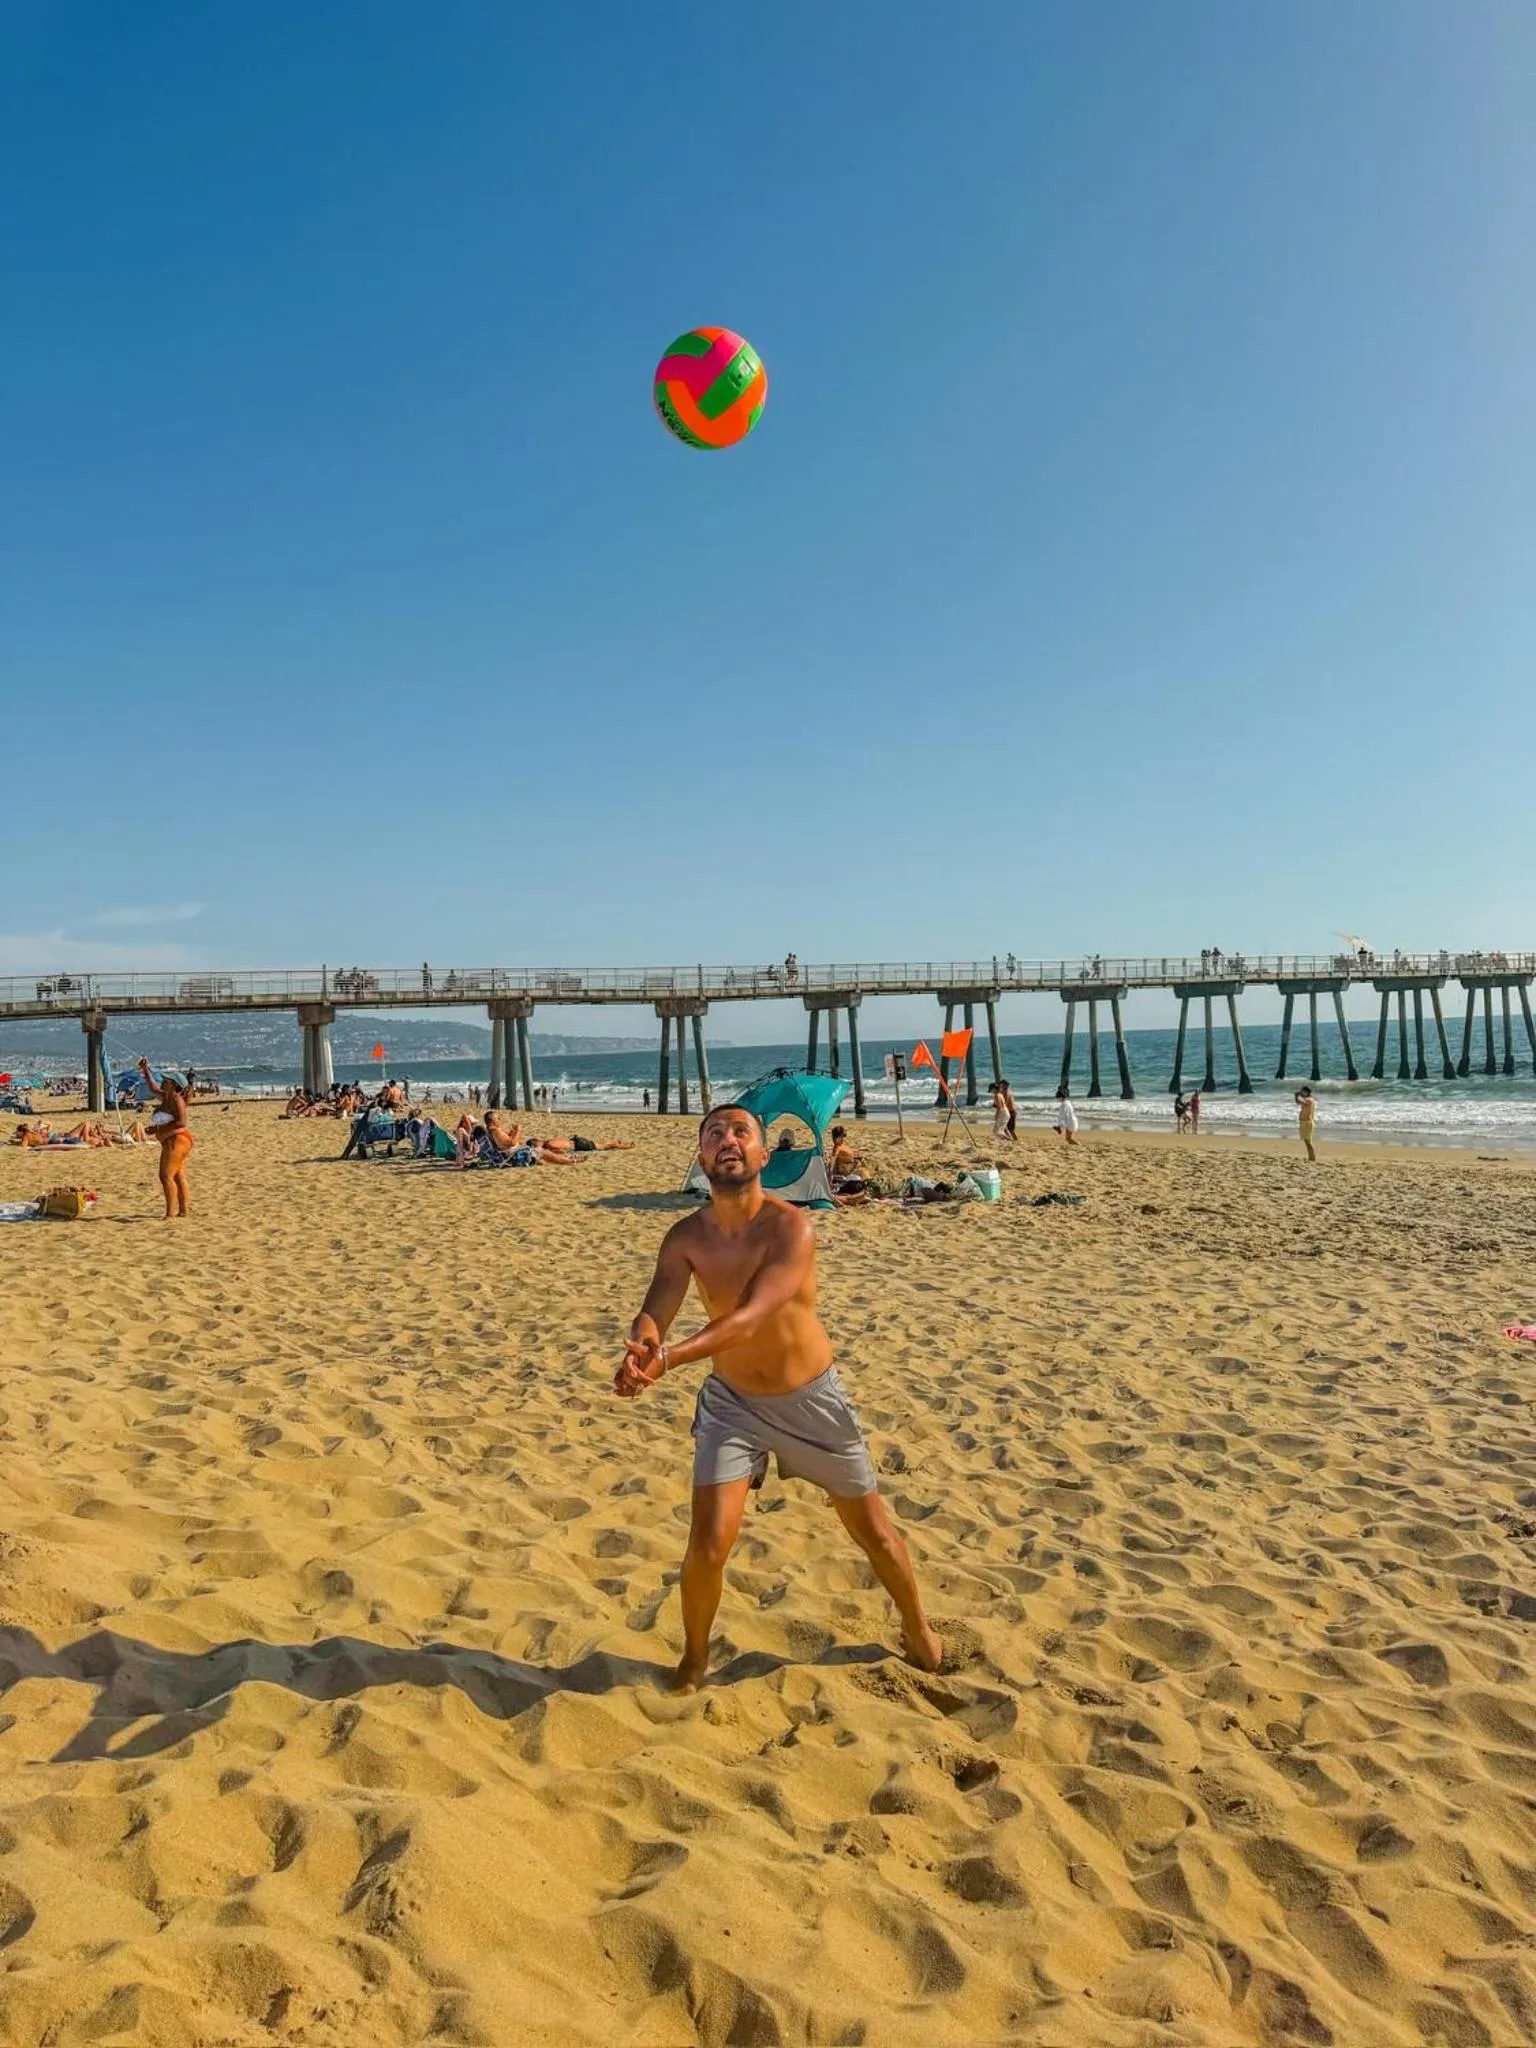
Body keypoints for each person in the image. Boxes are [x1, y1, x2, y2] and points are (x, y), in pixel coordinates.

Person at [615, 1102, 942, 1692]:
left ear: (765, 1155)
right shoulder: (686, 1236)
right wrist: (643, 1344)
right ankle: (693, 1659)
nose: (727, 1140)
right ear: (701, 1157)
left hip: (811, 1401)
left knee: (872, 1530)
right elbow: (656, 1305)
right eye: (714, 1133)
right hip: (732, 1404)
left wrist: (668, 1360)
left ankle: (919, 1629)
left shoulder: (793, 1227)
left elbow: (750, 1318)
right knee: (709, 1543)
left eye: (741, 1131)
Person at [140, 1058, 193, 1218]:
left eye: (166, 1080)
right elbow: (152, 1087)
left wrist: (158, 1128)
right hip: (173, 1140)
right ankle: (183, 1211)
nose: (163, 1081)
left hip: (177, 1140)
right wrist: (145, 1070)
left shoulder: (176, 1099)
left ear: (173, 1084)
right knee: (178, 1176)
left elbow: (182, 1122)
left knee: (165, 1176)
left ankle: (170, 1214)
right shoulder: (167, 1097)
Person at [1295, 1085, 1318, 1163]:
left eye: (1303, 1091)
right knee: (1307, 1141)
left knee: (1308, 1141)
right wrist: (1297, 1096)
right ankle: (1311, 1156)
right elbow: (1298, 1102)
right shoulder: (1307, 1100)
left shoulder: (1309, 1100)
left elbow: (1300, 1101)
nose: (1301, 1093)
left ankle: (1312, 1157)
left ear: (1307, 1092)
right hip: (1305, 1122)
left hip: (1307, 1123)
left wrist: (1297, 1095)